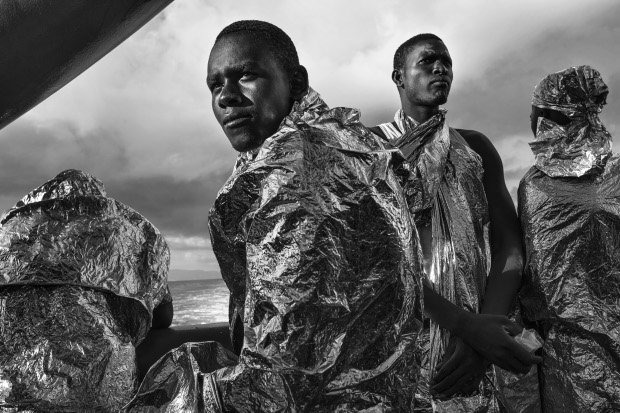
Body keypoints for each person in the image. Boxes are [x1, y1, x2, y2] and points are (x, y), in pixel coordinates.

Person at [126, 20, 425, 412]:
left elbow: (278, 378)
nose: (226, 97)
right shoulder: (347, 145)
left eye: (246, 75)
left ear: (295, 82)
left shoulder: (293, 175)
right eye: (215, 86)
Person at [370, 33, 540, 411]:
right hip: (405, 339)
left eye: (446, 62)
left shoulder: (475, 147)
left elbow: (509, 247)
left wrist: (486, 330)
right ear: (398, 76)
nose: (440, 68)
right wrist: (465, 326)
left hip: (479, 335)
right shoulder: (370, 150)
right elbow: (375, 260)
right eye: (428, 60)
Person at [0, 169, 172, 411]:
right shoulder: (123, 233)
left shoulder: (10, 236)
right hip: (100, 385)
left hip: (11, 389)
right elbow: (164, 317)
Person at [519, 65, 620, 412]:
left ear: (554, 119)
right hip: (568, 354)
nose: (531, 121)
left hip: (568, 353)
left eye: (536, 112)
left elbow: (534, 278)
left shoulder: (536, 186)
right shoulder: (537, 185)